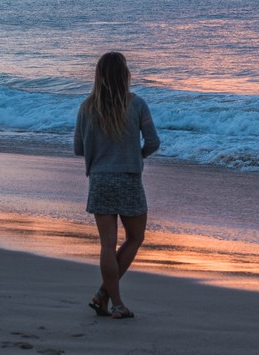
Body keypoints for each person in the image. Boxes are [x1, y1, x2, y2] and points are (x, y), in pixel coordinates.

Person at [74, 52, 160, 320]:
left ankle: (108, 299)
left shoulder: (87, 107)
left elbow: (79, 148)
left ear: (98, 75)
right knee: (135, 238)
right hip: (129, 178)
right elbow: (154, 142)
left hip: (100, 179)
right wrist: (136, 155)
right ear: (125, 74)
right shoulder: (136, 105)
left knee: (107, 245)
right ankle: (111, 301)